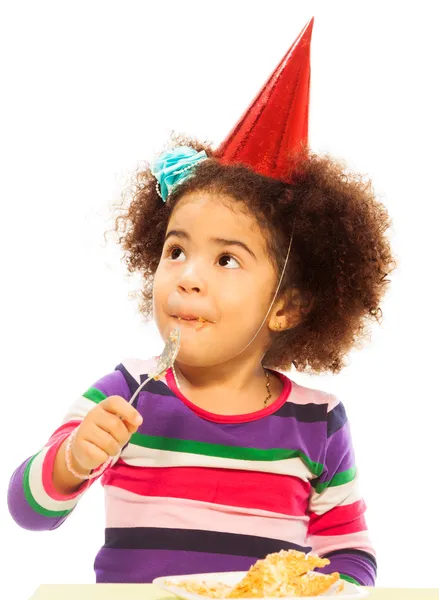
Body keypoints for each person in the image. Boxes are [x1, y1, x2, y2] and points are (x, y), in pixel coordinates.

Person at [7, 18, 394, 587]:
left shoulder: (318, 423)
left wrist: (331, 589)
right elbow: (28, 509)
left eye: (226, 260)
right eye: (176, 250)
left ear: (286, 306)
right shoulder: (124, 394)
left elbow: (351, 556)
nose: (186, 278)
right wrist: (72, 460)